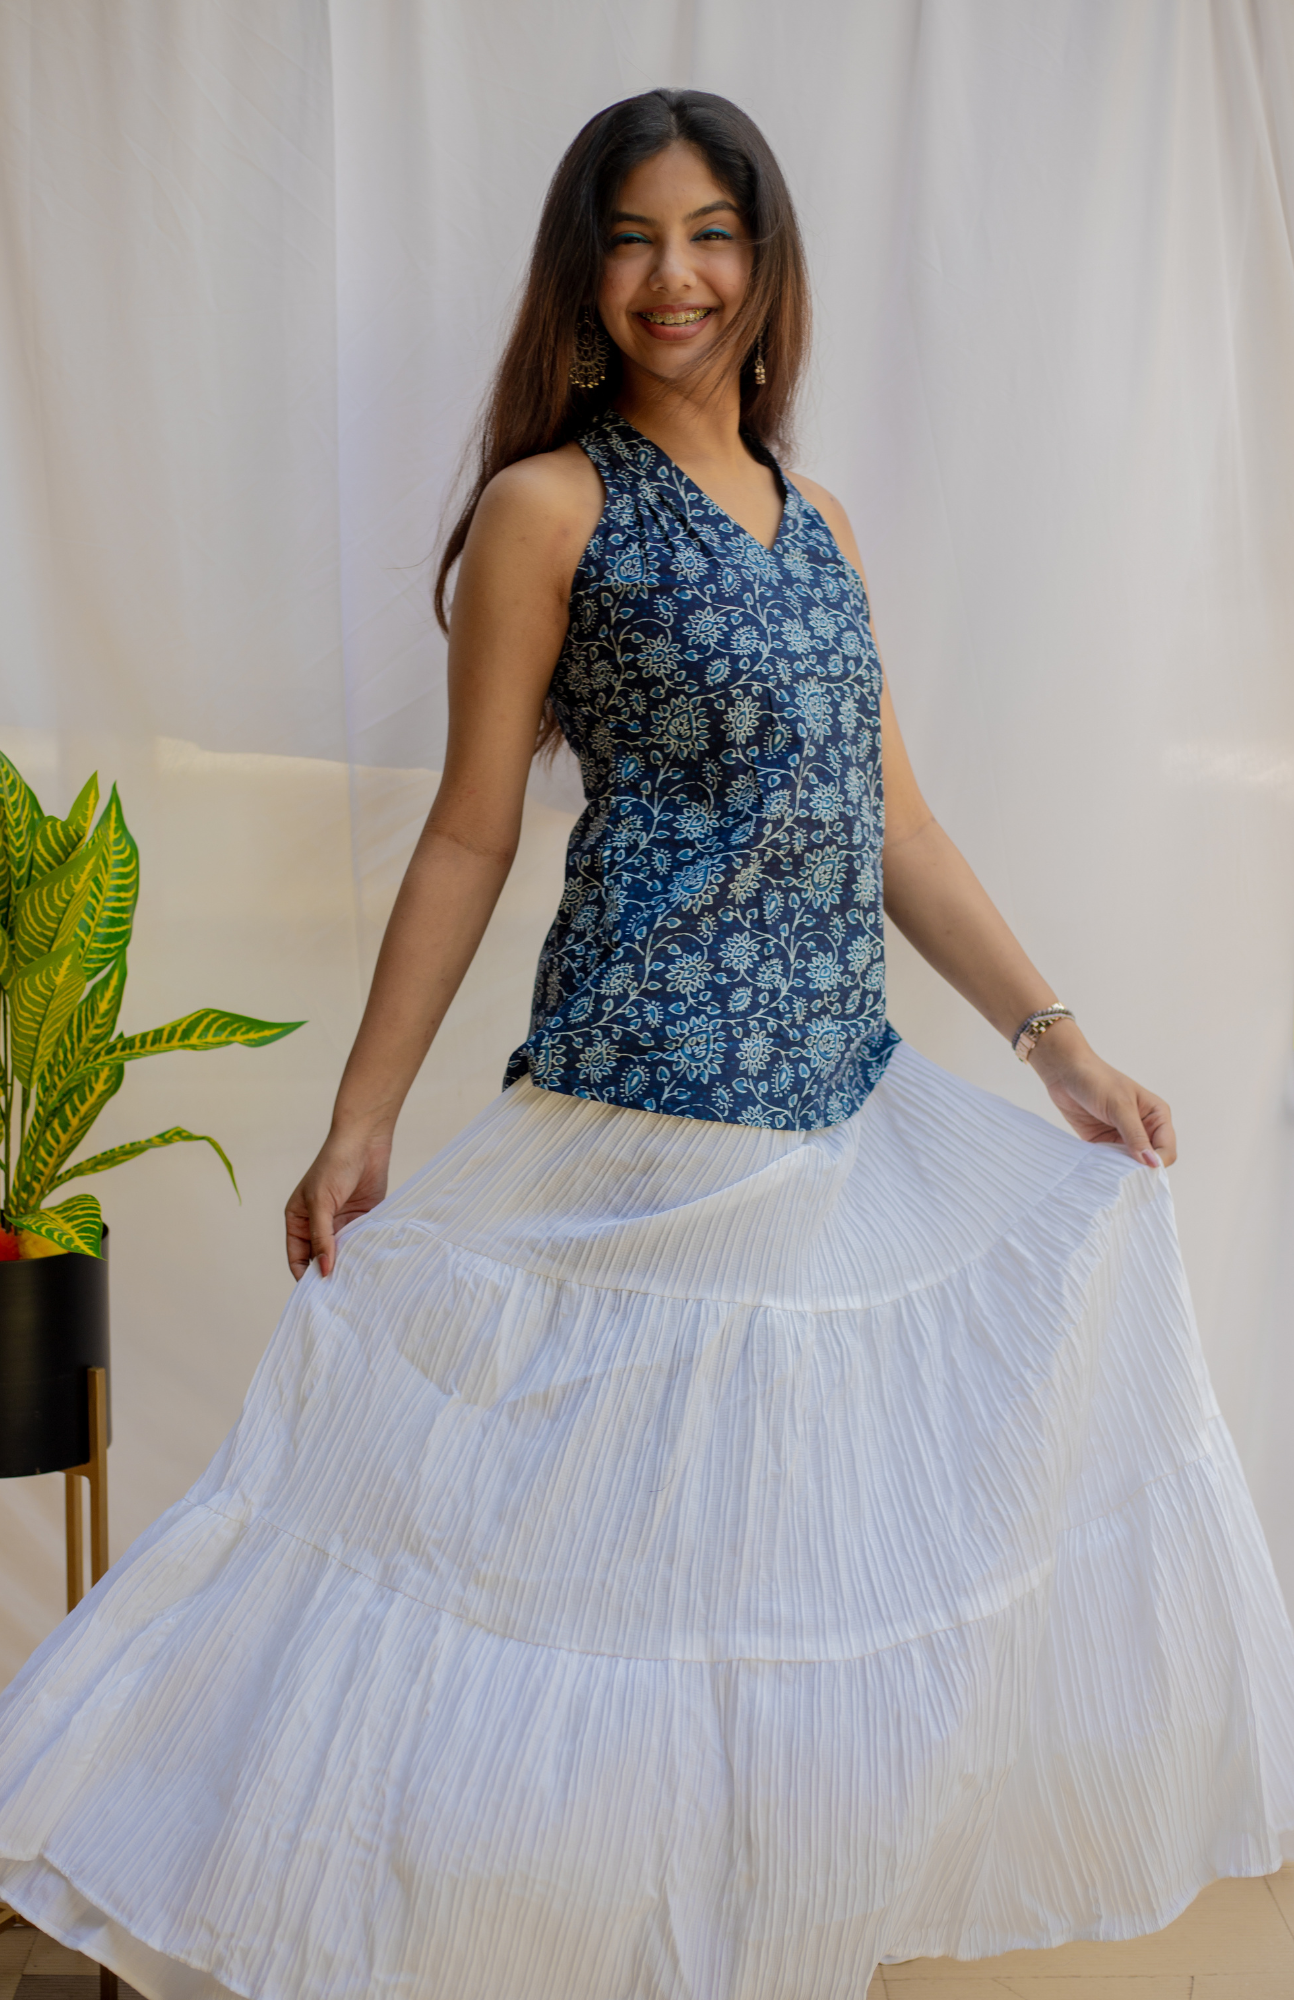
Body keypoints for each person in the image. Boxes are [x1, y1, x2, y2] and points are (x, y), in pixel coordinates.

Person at [1, 87, 1291, 2000]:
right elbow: (467, 828)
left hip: (828, 1111)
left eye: (709, 232)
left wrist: (1055, 1046)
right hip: (642, 1114)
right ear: (583, 274)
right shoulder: (553, 505)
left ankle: (743, 1951)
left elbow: (897, 823)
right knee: (567, 1574)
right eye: (630, 237)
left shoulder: (823, 516)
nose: (671, 274)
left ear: (764, 266)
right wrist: (361, 1124)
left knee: (760, 1589)